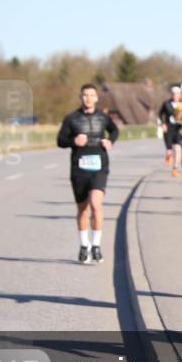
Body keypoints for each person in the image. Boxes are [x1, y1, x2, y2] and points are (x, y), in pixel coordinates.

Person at [56, 84, 120, 264]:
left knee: (95, 204)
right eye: (85, 95)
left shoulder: (103, 117)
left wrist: (110, 141)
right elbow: (60, 140)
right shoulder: (71, 118)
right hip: (79, 167)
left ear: (97, 98)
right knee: (82, 209)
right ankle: (84, 246)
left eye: (92, 95)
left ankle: (97, 245)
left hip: (99, 164)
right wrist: (73, 141)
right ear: (80, 97)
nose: (88, 98)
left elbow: (114, 130)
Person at [158, 85, 182, 174]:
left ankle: (175, 167)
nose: (175, 95)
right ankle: (169, 155)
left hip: (178, 128)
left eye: (177, 94)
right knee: (169, 150)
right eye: (174, 94)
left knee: (177, 148)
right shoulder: (166, 103)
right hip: (169, 128)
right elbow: (160, 114)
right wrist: (163, 124)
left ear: (180, 95)